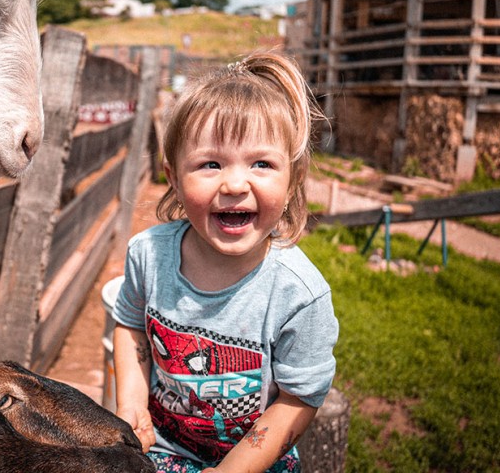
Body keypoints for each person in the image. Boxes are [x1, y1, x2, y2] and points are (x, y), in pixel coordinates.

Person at [112, 53, 338, 473]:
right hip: (161, 450)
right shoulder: (148, 255)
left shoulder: (299, 295)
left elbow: (298, 398)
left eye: (262, 164)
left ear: (292, 182)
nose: (235, 184)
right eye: (210, 164)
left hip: (258, 462)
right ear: (174, 179)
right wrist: (131, 403)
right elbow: (129, 323)